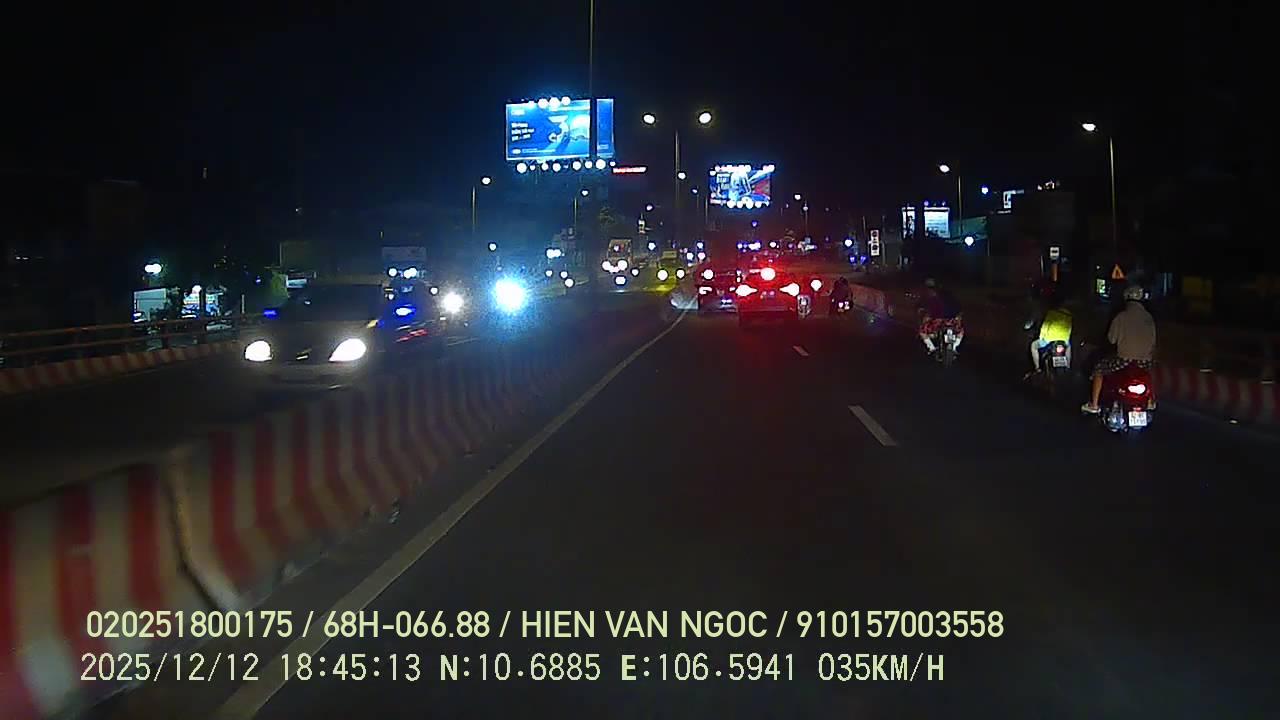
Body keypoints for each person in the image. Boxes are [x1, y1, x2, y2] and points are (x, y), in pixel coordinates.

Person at [1081, 284, 1156, 414]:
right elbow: (1153, 341)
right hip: (1145, 361)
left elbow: (1111, 339)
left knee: (1099, 370)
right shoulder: (1149, 318)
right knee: (1147, 374)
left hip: (1123, 360)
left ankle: (1094, 404)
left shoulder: (1121, 317)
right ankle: (1150, 401)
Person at [1024, 289, 1073, 379]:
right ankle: (1068, 366)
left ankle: (1037, 368)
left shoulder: (1051, 312)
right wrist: (1066, 338)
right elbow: (1069, 328)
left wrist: (1041, 337)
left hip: (1049, 339)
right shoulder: (1069, 314)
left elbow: (1045, 326)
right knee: (1068, 347)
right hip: (1064, 339)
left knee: (1034, 346)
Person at [917, 278, 964, 355]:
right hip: (950, 320)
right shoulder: (948, 295)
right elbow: (958, 308)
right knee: (960, 331)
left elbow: (925, 307)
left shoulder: (930, 296)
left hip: (937, 321)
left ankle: (932, 348)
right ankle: (954, 347)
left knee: (922, 331)